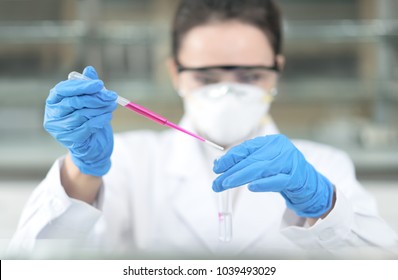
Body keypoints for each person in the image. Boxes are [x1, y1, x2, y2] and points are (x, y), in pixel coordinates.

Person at [9, 0, 398, 257]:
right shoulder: (130, 161)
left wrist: (323, 207)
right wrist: (83, 172)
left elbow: (379, 264)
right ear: (175, 73)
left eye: (250, 75)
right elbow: (33, 262)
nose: (227, 91)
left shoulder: (324, 165)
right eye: (206, 76)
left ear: (277, 69)